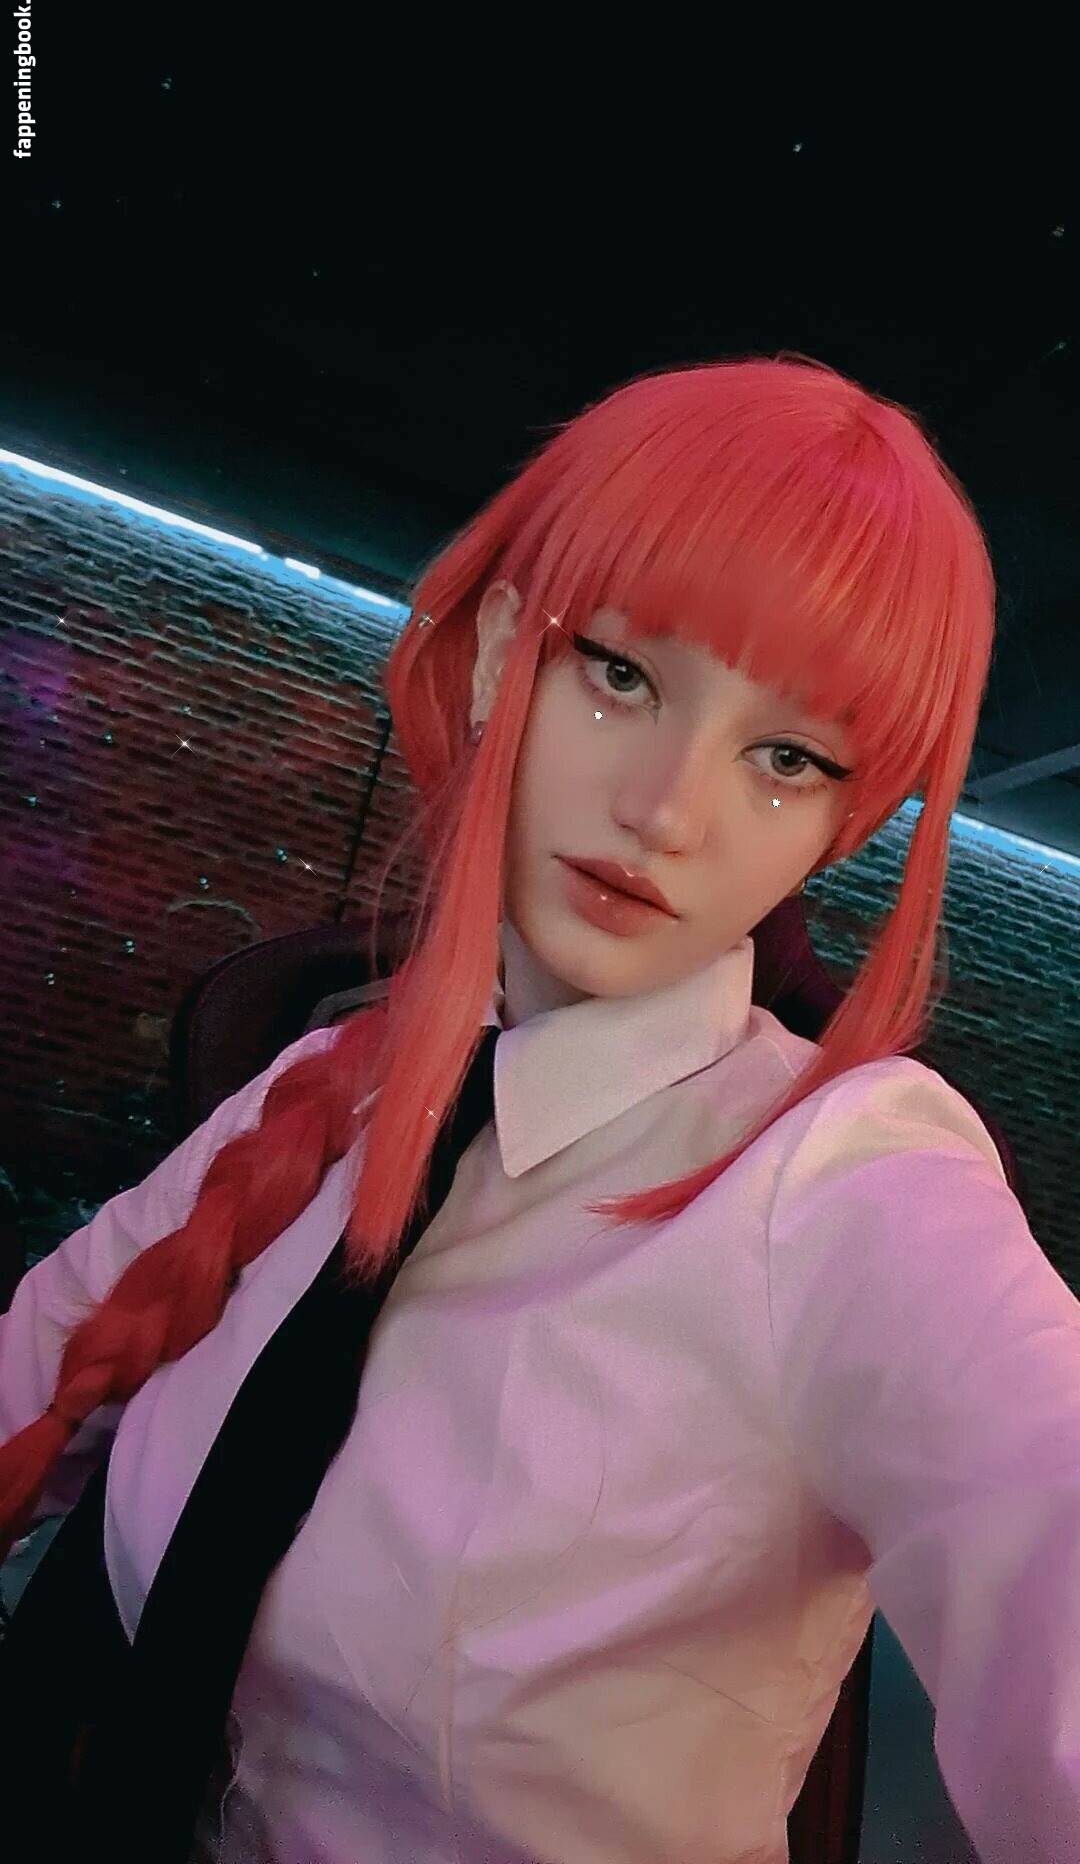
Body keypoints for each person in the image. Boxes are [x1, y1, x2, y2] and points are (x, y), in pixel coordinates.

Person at [2, 353, 1079, 1864]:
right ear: (505, 651)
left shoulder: (850, 1186)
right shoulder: (326, 1086)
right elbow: (42, 1356)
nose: (667, 809)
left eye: (787, 758)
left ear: (845, 825)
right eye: (621, 673)